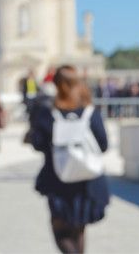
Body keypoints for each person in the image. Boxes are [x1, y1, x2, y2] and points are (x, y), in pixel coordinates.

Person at [29, 65, 109, 253]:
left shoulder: (48, 113)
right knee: (79, 229)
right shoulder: (90, 113)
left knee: (61, 232)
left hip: (59, 178)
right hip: (87, 179)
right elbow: (103, 145)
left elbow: (38, 143)